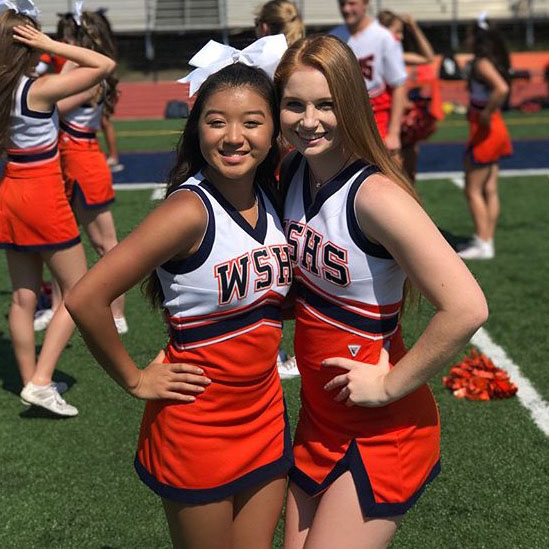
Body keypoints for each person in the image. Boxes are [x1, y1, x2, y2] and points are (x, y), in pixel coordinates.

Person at [65, 58, 293, 548]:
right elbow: (86, 297)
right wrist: (134, 378)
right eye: (216, 121)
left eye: (252, 122)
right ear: (197, 130)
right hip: (199, 426)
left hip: (266, 413)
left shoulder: (274, 195)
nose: (234, 137)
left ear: (274, 131)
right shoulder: (189, 211)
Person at [274, 35, 488, 548]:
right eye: (294, 104)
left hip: (381, 426)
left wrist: (391, 385)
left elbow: (466, 307)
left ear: (351, 103)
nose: (309, 121)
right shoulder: (291, 173)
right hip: (320, 417)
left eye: (326, 105)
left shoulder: (376, 197)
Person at [0, 5, 115, 416]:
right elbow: (104, 63)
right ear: (26, 45)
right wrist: (50, 43)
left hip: (10, 189)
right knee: (78, 291)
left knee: (22, 298)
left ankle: (33, 381)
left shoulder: (7, 87)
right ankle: (43, 380)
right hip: (42, 192)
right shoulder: (38, 89)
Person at [57, 9, 128, 333]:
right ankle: (63, 304)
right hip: (70, 159)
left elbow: (50, 105)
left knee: (106, 244)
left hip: (82, 160)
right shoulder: (84, 69)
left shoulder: (87, 74)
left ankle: (116, 313)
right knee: (64, 241)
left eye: (66, 38)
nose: (60, 42)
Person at [255, 0, 304, 380]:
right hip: (305, 169)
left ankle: (274, 346)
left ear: (263, 28)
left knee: (270, 261)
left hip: (272, 168)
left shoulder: (264, 68)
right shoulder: (305, 60)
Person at [458, 14, 512, 260]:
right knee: (490, 188)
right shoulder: (489, 59)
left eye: (469, 34)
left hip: (487, 129)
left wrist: (486, 113)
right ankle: (486, 239)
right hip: (494, 128)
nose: (466, 38)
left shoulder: (481, 63)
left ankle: (483, 242)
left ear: (477, 38)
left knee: (473, 189)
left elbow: (502, 88)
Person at [330, 0, 407, 155]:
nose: (346, 9)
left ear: (365, 3)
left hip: (376, 117)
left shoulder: (384, 37)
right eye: (342, 4)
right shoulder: (333, 37)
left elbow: (399, 85)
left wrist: (393, 133)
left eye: (352, 4)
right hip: (344, 117)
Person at [378, 11, 442, 182]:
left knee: (409, 177)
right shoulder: (374, 57)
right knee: (393, 179)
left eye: (401, 32)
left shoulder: (396, 56)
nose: (400, 37)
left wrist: (413, 27)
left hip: (401, 124)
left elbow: (428, 57)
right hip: (385, 124)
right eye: (396, 31)